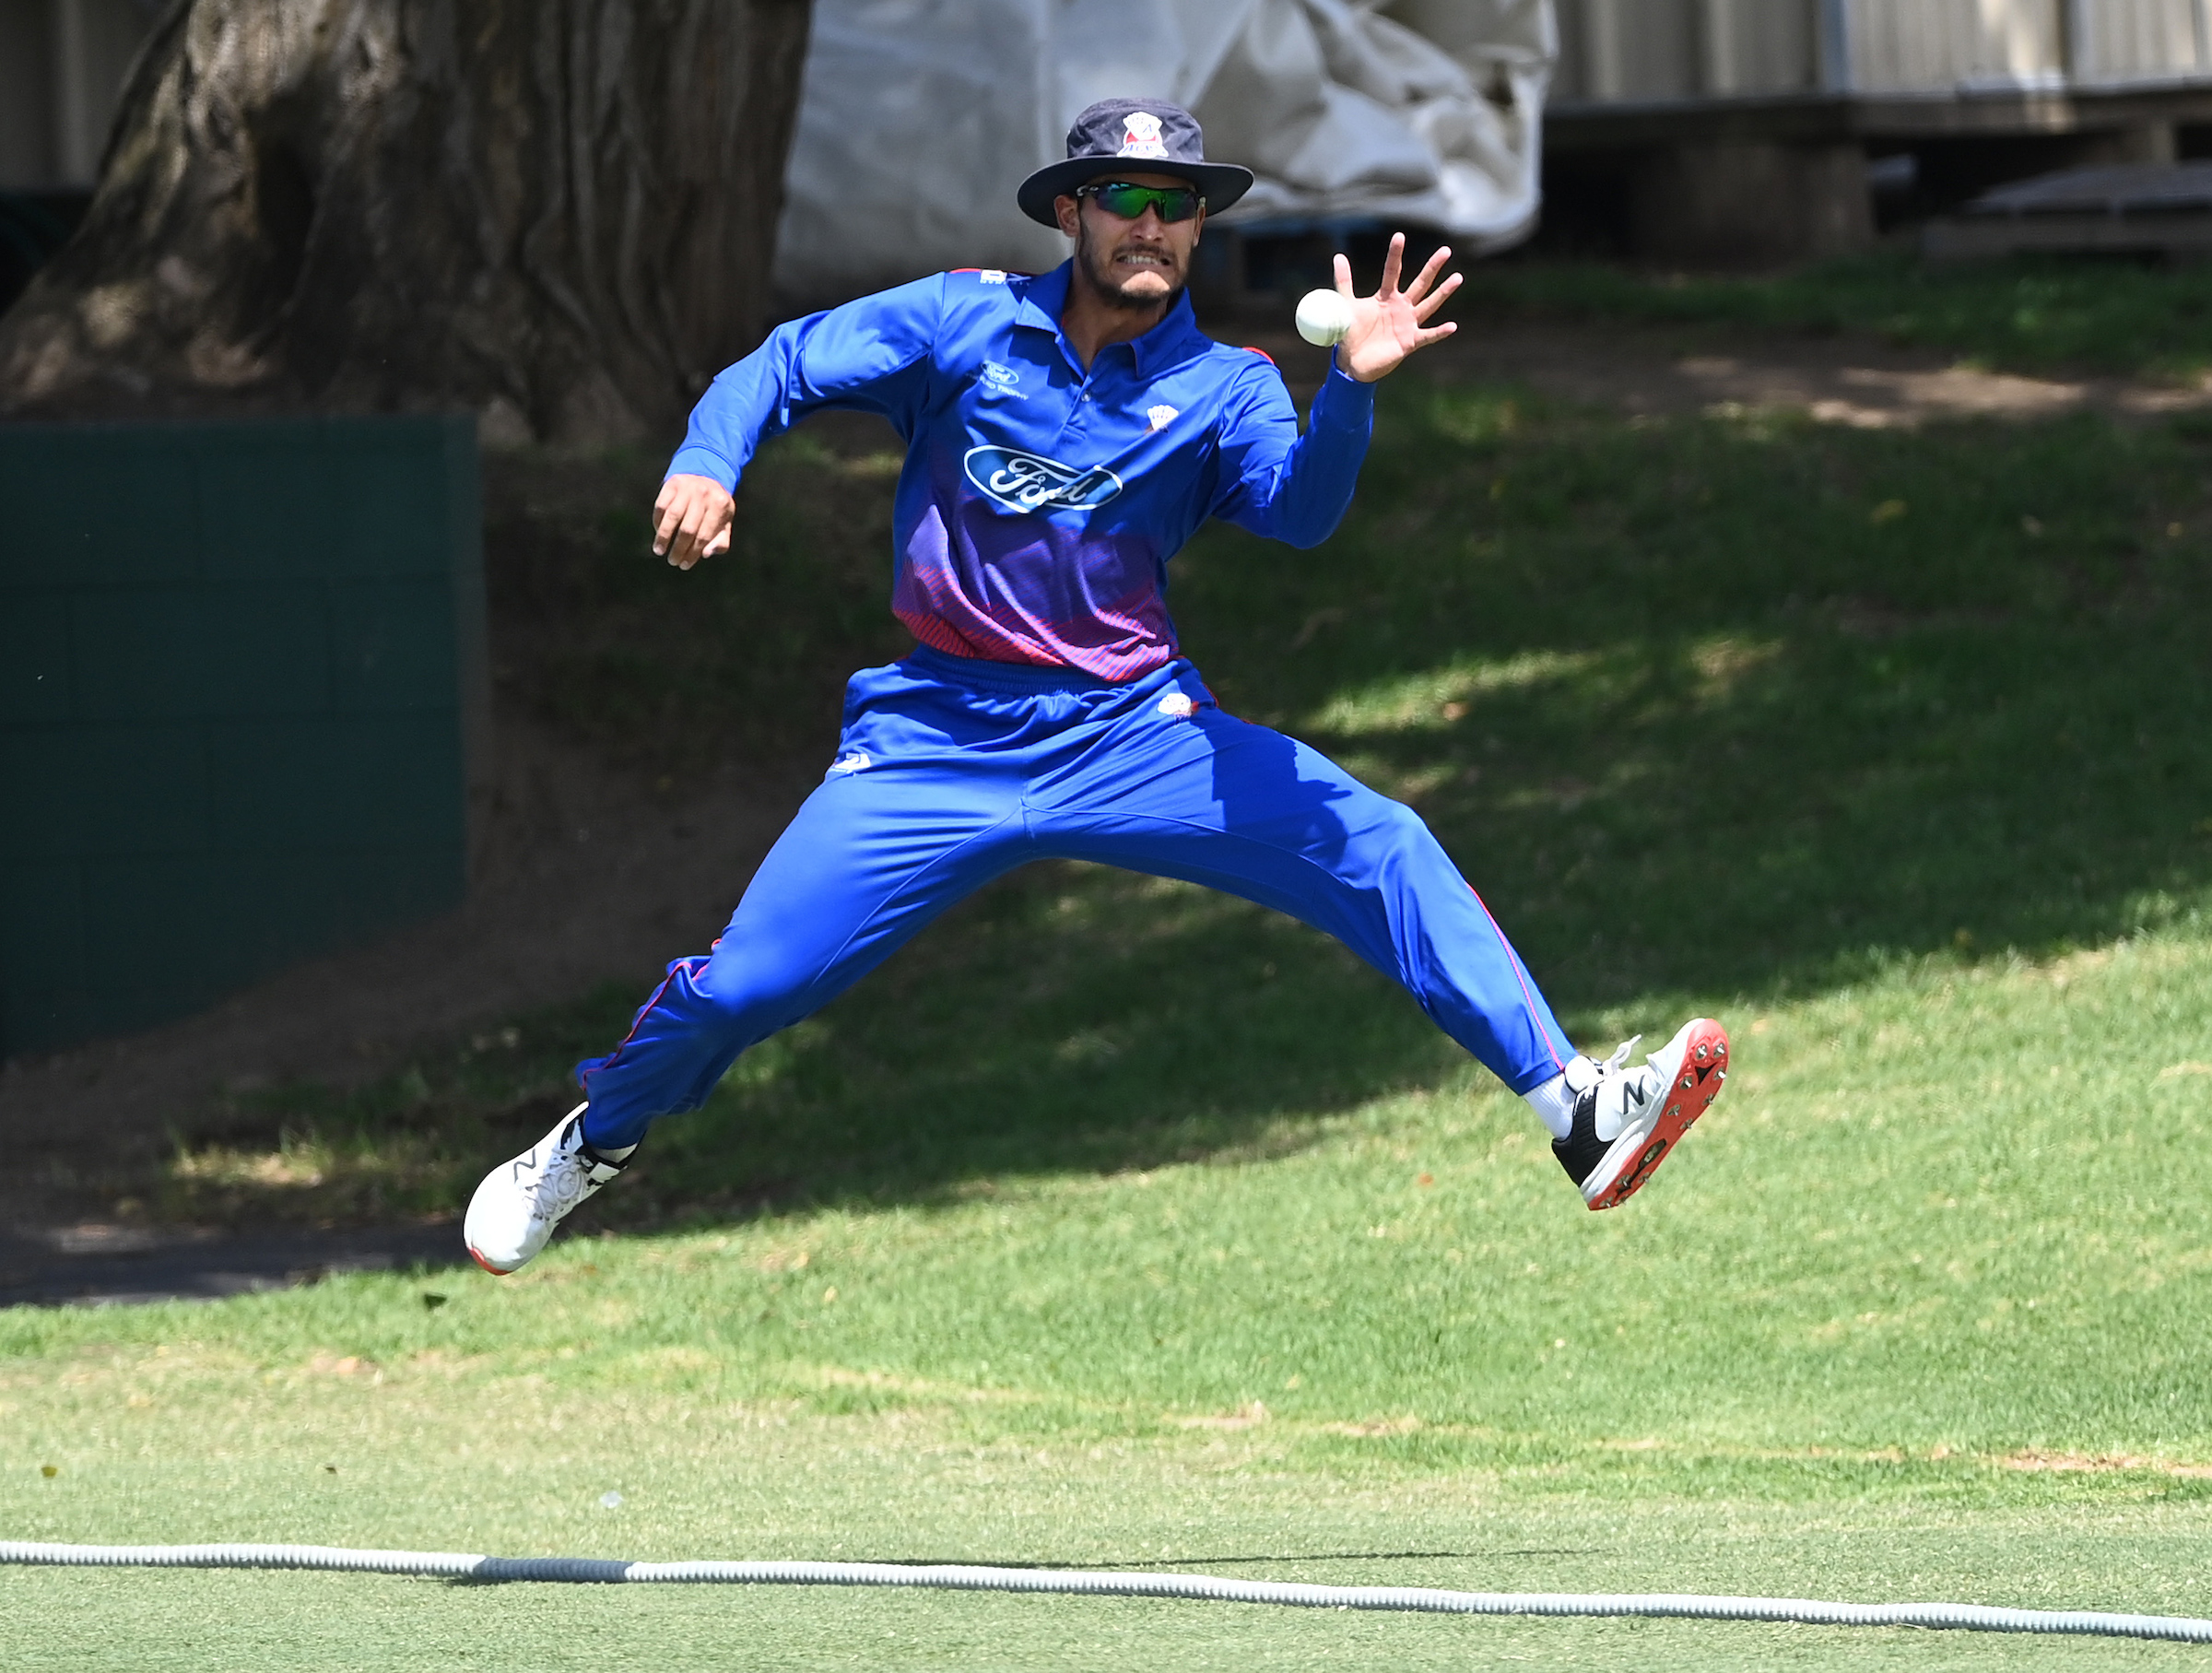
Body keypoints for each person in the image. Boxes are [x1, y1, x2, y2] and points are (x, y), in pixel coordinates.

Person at [464, 100, 1728, 1276]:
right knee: (746, 989)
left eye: (1179, 204)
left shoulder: (1226, 384)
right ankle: (592, 1142)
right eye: (1125, 196)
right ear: (1070, 211)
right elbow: (785, 362)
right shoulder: (961, 323)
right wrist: (708, 460)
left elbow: (1299, 515)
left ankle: (1576, 1111)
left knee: (1378, 842)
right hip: (937, 739)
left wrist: (1349, 390)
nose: (1152, 223)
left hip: (1130, 733)